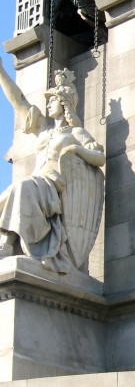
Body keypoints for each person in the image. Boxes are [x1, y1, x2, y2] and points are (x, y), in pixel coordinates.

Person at [0, 61, 105, 273]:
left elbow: (99, 157)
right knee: (13, 191)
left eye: (53, 100)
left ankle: (8, 244)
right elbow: (20, 102)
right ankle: (9, 241)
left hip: (54, 186)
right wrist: (1, 73)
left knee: (22, 188)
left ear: (64, 103)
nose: (48, 105)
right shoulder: (43, 129)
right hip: (37, 183)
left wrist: (76, 151)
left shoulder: (76, 133)